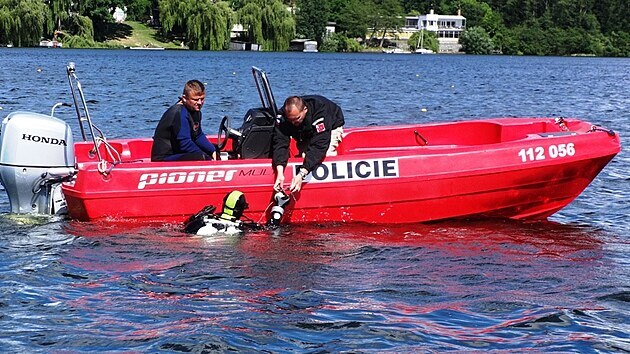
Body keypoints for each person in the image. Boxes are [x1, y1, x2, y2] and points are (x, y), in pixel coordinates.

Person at [272, 95, 345, 193]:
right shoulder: (283, 118)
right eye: (291, 120)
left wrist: (302, 174)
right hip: (305, 132)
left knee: (323, 156)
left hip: (331, 126)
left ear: (305, 110)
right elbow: (280, 144)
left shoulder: (319, 110)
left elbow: (320, 145)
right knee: (303, 157)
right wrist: (279, 173)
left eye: (297, 118)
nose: (293, 123)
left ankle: (331, 190)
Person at [151, 80, 216, 161]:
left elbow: (198, 136)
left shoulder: (195, 111)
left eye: (202, 99)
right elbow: (185, 144)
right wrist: (207, 157)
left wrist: (213, 151)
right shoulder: (179, 113)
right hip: (164, 158)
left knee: (214, 149)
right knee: (200, 157)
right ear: (184, 98)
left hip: (179, 153)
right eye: (195, 100)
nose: (200, 103)